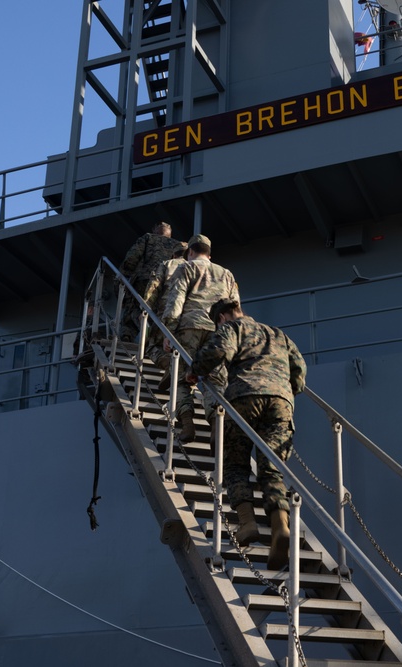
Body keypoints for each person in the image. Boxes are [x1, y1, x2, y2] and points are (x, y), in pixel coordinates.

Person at [190, 299, 306, 570]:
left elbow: (220, 351)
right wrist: (285, 391)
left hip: (243, 397)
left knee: (235, 463)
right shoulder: (278, 333)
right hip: (281, 401)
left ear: (221, 318)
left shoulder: (231, 329)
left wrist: (193, 372)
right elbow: (299, 371)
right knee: (272, 468)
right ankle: (280, 527)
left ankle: (248, 523)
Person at [161, 234, 239, 441]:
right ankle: (215, 424)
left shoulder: (186, 268)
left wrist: (168, 330)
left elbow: (176, 299)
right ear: (209, 254)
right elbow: (235, 308)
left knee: (181, 379)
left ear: (191, 252)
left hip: (189, 328)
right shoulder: (227, 274)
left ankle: (187, 425)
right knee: (215, 380)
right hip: (218, 332)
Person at [120, 221, 181, 342]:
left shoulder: (148, 238)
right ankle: (152, 341)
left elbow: (132, 258)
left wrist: (124, 274)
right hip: (166, 284)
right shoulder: (177, 245)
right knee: (158, 313)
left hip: (145, 280)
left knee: (132, 308)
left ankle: (127, 335)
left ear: (155, 230)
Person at [142, 241, 187, 375]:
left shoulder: (168, 264)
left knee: (152, 347)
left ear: (174, 254)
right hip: (189, 315)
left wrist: (145, 308)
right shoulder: (193, 266)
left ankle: (170, 366)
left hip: (166, 312)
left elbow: (153, 287)